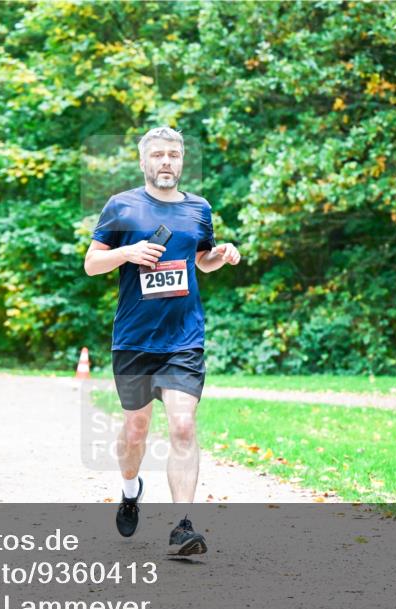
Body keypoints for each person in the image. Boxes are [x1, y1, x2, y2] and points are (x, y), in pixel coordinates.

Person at [84, 127, 241, 557]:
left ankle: (183, 526)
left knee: (183, 426)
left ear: (182, 160)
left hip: (183, 339)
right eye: (158, 155)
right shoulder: (122, 206)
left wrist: (220, 254)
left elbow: (201, 261)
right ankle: (130, 489)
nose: (167, 161)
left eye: (174, 154)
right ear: (144, 162)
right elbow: (91, 263)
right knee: (136, 430)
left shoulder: (199, 209)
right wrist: (127, 253)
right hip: (134, 339)